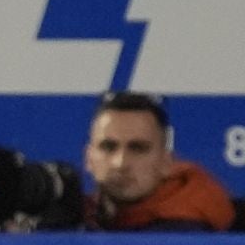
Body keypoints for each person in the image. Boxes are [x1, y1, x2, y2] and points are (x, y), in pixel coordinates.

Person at [83, 91, 234, 233]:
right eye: (108, 147)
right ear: (89, 158)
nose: (120, 163)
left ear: (166, 162)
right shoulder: (84, 216)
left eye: (138, 149)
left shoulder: (186, 232)